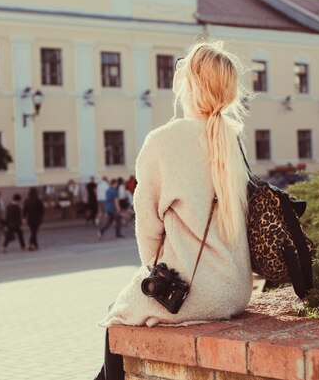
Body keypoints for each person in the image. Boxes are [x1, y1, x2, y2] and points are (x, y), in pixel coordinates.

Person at [94, 41, 252, 380]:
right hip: (236, 290)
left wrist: (153, 269)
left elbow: (148, 230)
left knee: (115, 320)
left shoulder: (164, 140)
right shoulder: (232, 138)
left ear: (189, 83)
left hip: (192, 291)